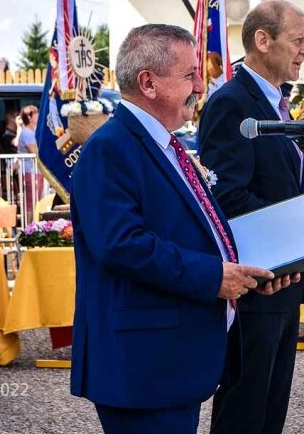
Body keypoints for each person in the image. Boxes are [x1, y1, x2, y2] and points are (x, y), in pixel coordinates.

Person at [70, 23, 280, 433]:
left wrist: (249, 269)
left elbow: (196, 227)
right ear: (148, 83)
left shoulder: (165, 143)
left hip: (167, 359)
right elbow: (121, 244)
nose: (201, 84)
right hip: (141, 363)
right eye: (189, 75)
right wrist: (214, 276)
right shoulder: (110, 148)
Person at [198, 0, 304, 434]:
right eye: (298, 40)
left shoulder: (277, 102)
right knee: (246, 404)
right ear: (262, 40)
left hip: (286, 274)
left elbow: (280, 181)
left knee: (271, 407)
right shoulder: (232, 103)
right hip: (258, 276)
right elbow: (227, 194)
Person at [17, 105, 44, 222]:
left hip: (34, 171)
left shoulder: (31, 132)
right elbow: (35, 151)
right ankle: (29, 228)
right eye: (36, 113)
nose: (39, 114)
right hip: (30, 171)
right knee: (31, 203)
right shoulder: (27, 132)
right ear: (29, 116)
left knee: (35, 201)